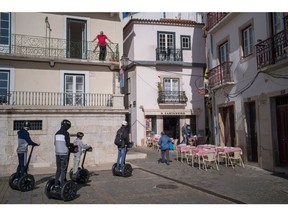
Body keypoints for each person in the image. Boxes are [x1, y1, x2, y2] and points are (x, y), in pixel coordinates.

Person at [54, 119, 71, 189]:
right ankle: (62, 185)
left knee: (58, 169)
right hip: (64, 154)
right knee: (63, 169)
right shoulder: (66, 133)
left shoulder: (56, 133)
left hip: (57, 153)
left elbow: (54, 143)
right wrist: (70, 146)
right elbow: (68, 144)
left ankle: (56, 184)